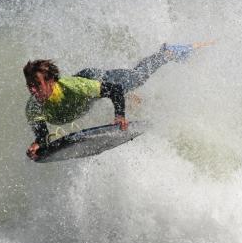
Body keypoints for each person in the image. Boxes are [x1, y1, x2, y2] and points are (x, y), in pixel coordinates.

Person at [24, 41, 213, 160]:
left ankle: (167, 53)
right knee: (117, 92)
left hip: (93, 78)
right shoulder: (33, 107)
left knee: (138, 78)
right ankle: (130, 95)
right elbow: (42, 134)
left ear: (50, 81)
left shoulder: (74, 87)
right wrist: (38, 144)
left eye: (37, 84)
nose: (33, 90)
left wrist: (120, 115)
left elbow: (114, 89)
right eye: (29, 85)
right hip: (88, 94)